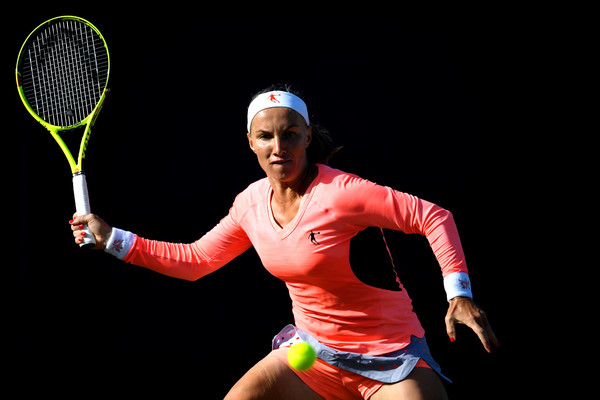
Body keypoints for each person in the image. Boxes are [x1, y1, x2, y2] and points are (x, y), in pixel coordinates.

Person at [70, 84, 498, 400]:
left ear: (307, 137)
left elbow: (433, 216)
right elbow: (196, 259)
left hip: (393, 359)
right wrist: (112, 239)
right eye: (266, 137)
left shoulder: (344, 193)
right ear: (251, 143)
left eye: (290, 134)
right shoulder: (250, 204)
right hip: (311, 355)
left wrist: (458, 293)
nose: (279, 147)